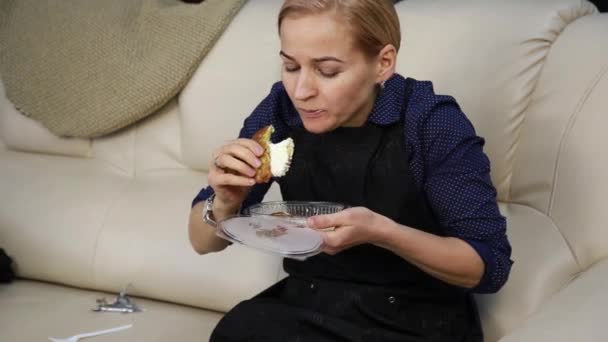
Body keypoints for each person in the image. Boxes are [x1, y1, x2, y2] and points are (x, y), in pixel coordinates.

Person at [188, 0, 512, 340]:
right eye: (290, 66)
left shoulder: (431, 122)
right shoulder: (280, 110)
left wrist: (382, 232)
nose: (301, 92)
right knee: (238, 330)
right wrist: (225, 202)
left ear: (383, 63)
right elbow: (201, 242)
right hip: (310, 304)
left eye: (327, 71)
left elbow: (488, 266)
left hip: (414, 319)